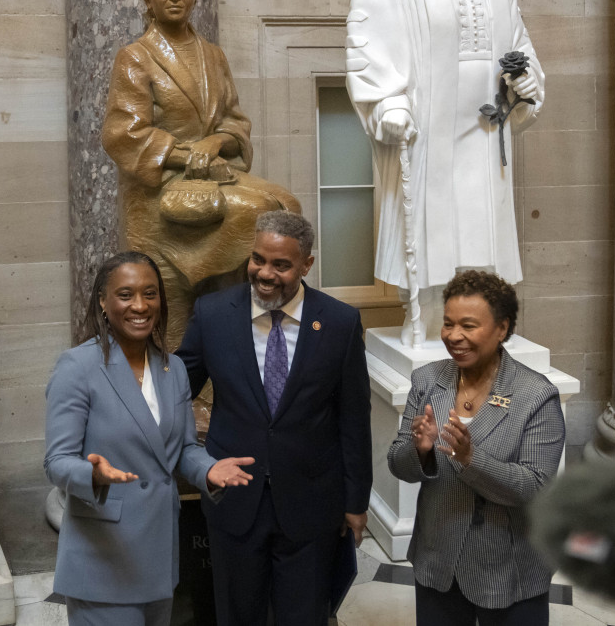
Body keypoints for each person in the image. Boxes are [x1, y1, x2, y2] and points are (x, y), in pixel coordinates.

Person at [346, 0, 544, 345]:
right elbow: (369, 46)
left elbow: (518, 44)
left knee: (482, 225)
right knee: (435, 228)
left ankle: (486, 322)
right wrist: (388, 102)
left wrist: (525, 85)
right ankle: (435, 322)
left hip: (484, 128)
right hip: (428, 128)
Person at [177, 211, 372, 625]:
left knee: (304, 615)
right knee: (237, 614)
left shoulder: (339, 322)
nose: (265, 274)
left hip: (312, 502)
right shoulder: (212, 314)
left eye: (281, 265)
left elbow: (353, 417)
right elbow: (176, 389)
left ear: (306, 265)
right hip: (235, 499)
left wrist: (356, 502)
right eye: (257, 259)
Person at [45, 251, 255, 625]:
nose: (139, 305)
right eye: (125, 295)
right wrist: (92, 475)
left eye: (150, 293)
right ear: (103, 302)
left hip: (159, 558)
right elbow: (57, 461)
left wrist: (208, 470)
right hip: (103, 562)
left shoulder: (172, 369)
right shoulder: (77, 367)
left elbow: (183, 450)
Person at [103, 0, 298, 346]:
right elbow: (124, 134)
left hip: (212, 177)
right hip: (161, 190)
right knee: (257, 211)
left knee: (286, 205)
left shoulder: (213, 55)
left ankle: (247, 330)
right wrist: (186, 154)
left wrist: (214, 142)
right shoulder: (135, 58)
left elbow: (235, 121)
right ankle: (184, 383)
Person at [388, 270, 563, 625]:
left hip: (507, 567)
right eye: (449, 324)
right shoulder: (428, 381)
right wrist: (419, 450)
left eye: (468, 325)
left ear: (502, 328)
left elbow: (534, 487)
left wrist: (470, 458)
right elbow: (397, 463)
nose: (455, 336)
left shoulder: (535, 395)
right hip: (437, 561)